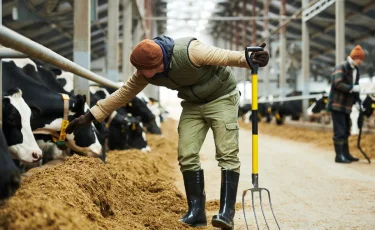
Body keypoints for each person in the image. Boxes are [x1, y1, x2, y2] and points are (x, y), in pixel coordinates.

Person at [66, 35, 269, 228]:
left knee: (226, 153)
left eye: (146, 70)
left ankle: (226, 214)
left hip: (222, 98)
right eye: (140, 70)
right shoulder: (144, 73)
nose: (142, 75)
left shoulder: (191, 51)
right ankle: (196, 213)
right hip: (192, 104)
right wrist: (89, 116)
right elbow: (122, 94)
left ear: (159, 62)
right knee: (186, 153)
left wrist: (249, 58)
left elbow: (224, 56)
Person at [327, 45, 365, 163]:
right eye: (359, 59)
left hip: (347, 105)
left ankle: (346, 153)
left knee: (346, 129)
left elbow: (356, 87)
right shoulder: (341, 67)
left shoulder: (356, 70)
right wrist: (352, 88)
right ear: (354, 57)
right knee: (339, 130)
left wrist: (358, 102)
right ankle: (339, 156)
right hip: (337, 104)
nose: (361, 61)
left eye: (362, 59)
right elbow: (337, 83)